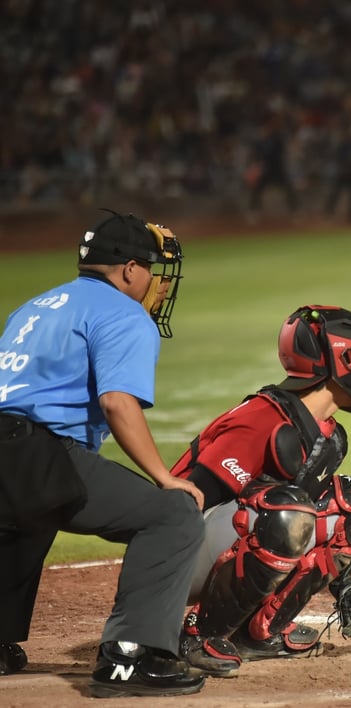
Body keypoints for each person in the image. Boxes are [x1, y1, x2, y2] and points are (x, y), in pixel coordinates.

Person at [0, 210, 207, 697]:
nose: (155, 282)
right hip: (34, 455)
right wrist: (163, 475)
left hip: (13, 456)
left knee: (28, 515)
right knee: (172, 516)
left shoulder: (34, 307)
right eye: (151, 269)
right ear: (129, 270)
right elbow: (117, 402)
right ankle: (129, 656)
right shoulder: (122, 312)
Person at [171, 305, 351, 678]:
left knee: (347, 504)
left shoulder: (326, 434)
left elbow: (307, 530)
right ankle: (200, 633)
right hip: (176, 552)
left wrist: (344, 575)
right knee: (286, 510)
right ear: (334, 361)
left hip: (223, 546)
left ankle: (260, 632)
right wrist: (157, 593)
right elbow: (186, 501)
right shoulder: (262, 418)